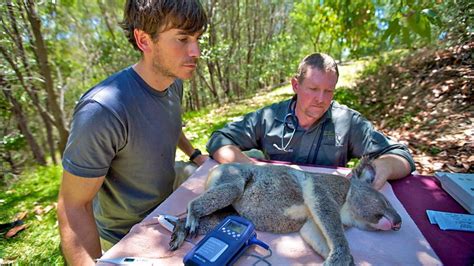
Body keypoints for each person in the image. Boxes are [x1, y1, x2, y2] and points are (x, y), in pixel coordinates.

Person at [57, 1, 208, 265]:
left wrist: (195, 155)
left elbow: (168, 126)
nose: (195, 51)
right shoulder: (103, 109)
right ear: (143, 40)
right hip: (126, 235)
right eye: (182, 39)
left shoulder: (173, 84)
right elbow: (73, 206)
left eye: (197, 38)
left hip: (168, 210)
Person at [206, 53, 415, 190]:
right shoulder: (270, 117)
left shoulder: (346, 121)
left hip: (326, 200)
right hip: (274, 194)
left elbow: (400, 155)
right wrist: (254, 169)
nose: (321, 99)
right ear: (296, 85)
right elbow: (219, 139)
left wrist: (382, 167)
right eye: (313, 89)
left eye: (329, 91)